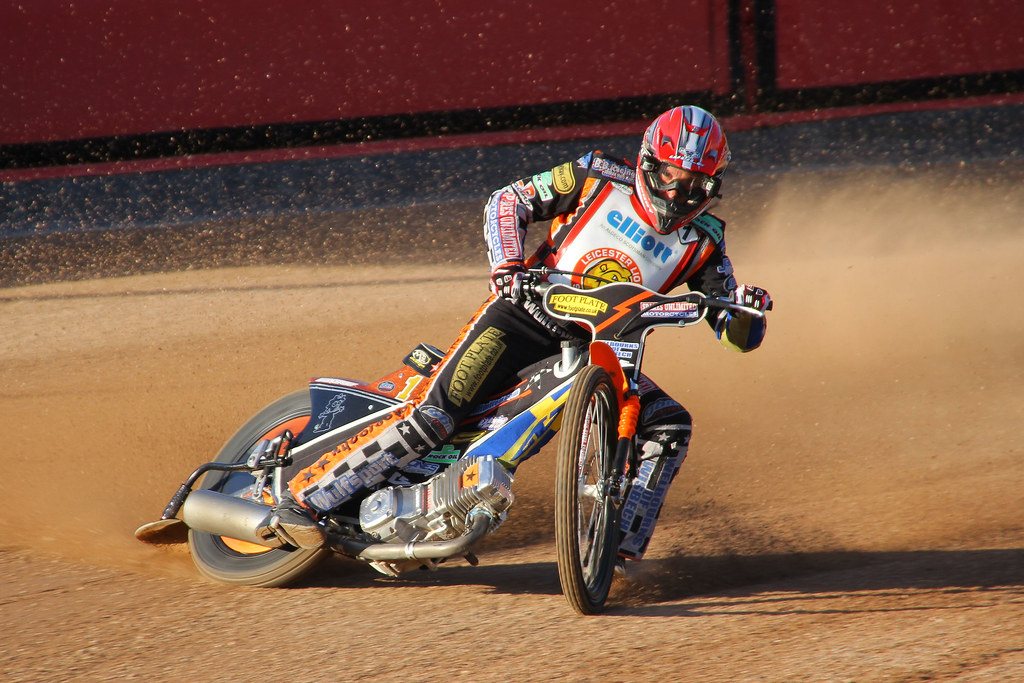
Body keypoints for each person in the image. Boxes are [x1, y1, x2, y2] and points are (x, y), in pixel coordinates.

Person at [273, 105, 773, 566]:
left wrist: (747, 312)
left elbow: (735, 334)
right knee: (435, 415)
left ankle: (616, 551)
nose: (678, 193)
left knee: (669, 427)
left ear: (713, 185)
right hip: (522, 317)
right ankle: (302, 499)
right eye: (670, 176)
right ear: (647, 162)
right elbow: (508, 200)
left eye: (695, 183)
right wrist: (508, 265)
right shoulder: (596, 175)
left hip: (602, 352)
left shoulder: (706, 240)